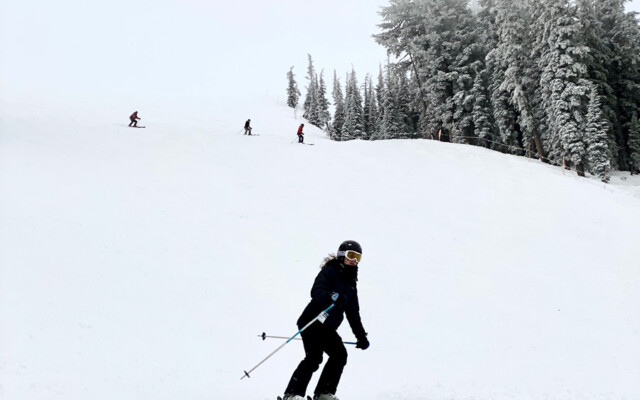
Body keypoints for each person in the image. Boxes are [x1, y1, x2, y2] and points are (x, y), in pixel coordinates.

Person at [282, 240, 370, 400]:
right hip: (312, 321)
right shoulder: (330, 271)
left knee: (340, 355)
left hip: (327, 328)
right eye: (351, 255)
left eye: (358, 257)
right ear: (342, 255)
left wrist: (361, 336)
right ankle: (292, 394)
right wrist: (331, 296)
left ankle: (323, 393)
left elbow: (353, 313)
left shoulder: (351, 285)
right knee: (314, 357)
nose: (354, 260)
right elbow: (316, 291)